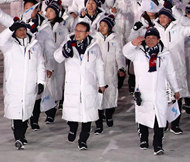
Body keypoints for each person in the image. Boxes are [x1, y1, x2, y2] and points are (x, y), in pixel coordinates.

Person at [123, 27, 179, 155]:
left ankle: (158, 144)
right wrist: (132, 43)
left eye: (153, 38)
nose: (150, 40)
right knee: (143, 115)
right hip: (143, 91)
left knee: (160, 117)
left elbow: (171, 73)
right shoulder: (138, 52)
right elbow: (125, 51)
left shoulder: (165, 54)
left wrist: (176, 89)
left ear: (159, 39)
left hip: (159, 92)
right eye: (148, 38)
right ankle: (143, 139)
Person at [53, 21, 106, 150]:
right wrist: (65, 51)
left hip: (89, 85)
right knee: (72, 111)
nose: (77, 33)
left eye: (81, 31)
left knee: (88, 114)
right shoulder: (68, 43)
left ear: (87, 33)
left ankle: (83, 140)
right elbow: (57, 57)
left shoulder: (94, 47)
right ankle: (72, 128)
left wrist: (102, 83)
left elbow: (99, 65)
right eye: (76, 30)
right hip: (73, 85)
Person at [0, 16, 46, 150]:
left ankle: (22, 135)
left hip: (29, 85)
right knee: (16, 114)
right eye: (18, 30)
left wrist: (41, 81)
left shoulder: (35, 45)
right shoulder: (9, 45)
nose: (22, 32)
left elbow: (40, 65)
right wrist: (9, 29)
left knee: (26, 113)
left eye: (23, 29)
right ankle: (18, 138)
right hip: (14, 85)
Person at [95, 14, 125, 133]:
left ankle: (109, 115)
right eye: (100, 25)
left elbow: (119, 55)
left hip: (110, 72)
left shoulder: (115, 39)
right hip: (97, 73)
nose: (102, 28)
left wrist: (121, 67)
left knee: (110, 95)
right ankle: (98, 122)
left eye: (105, 26)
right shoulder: (95, 39)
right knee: (97, 96)